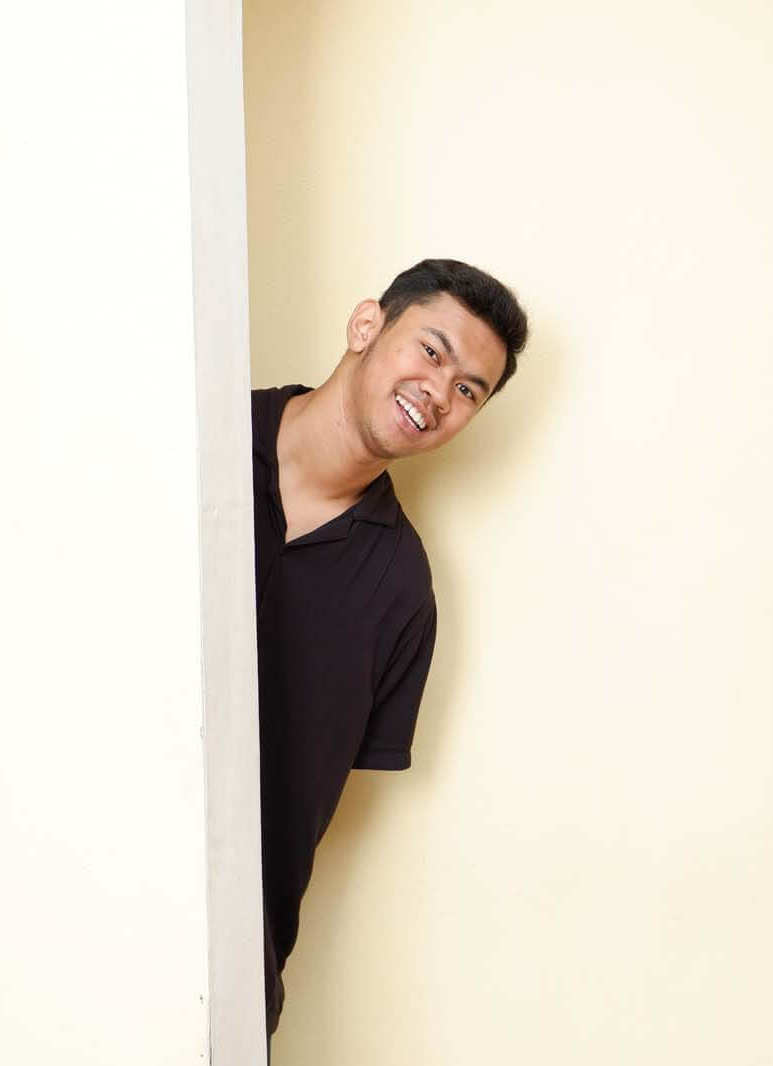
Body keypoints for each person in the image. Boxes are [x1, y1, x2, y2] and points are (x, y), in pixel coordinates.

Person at [251, 258, 529, 1046]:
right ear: (366, 324)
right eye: (432, 352)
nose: (439, 392)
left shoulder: (403, 592)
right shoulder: (197, 437)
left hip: (232, 976)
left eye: (469, 389)